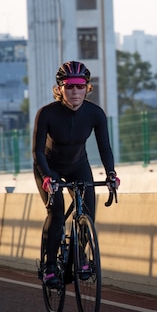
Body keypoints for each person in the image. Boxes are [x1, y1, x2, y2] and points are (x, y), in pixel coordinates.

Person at [32, 60, 119, 287]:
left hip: (77, 165)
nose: (75, 91)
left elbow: (104, 148)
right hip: (49, 167)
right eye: (69, 86)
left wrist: (111, 174)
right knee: (57, 213)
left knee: (87, 213)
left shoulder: (95, 113)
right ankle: (51, 266)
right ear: (60, 88)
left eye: (80, 86)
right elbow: (37, 151)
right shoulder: (47, 114)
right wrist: (48, 178)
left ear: (87, 88)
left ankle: (80, 258)